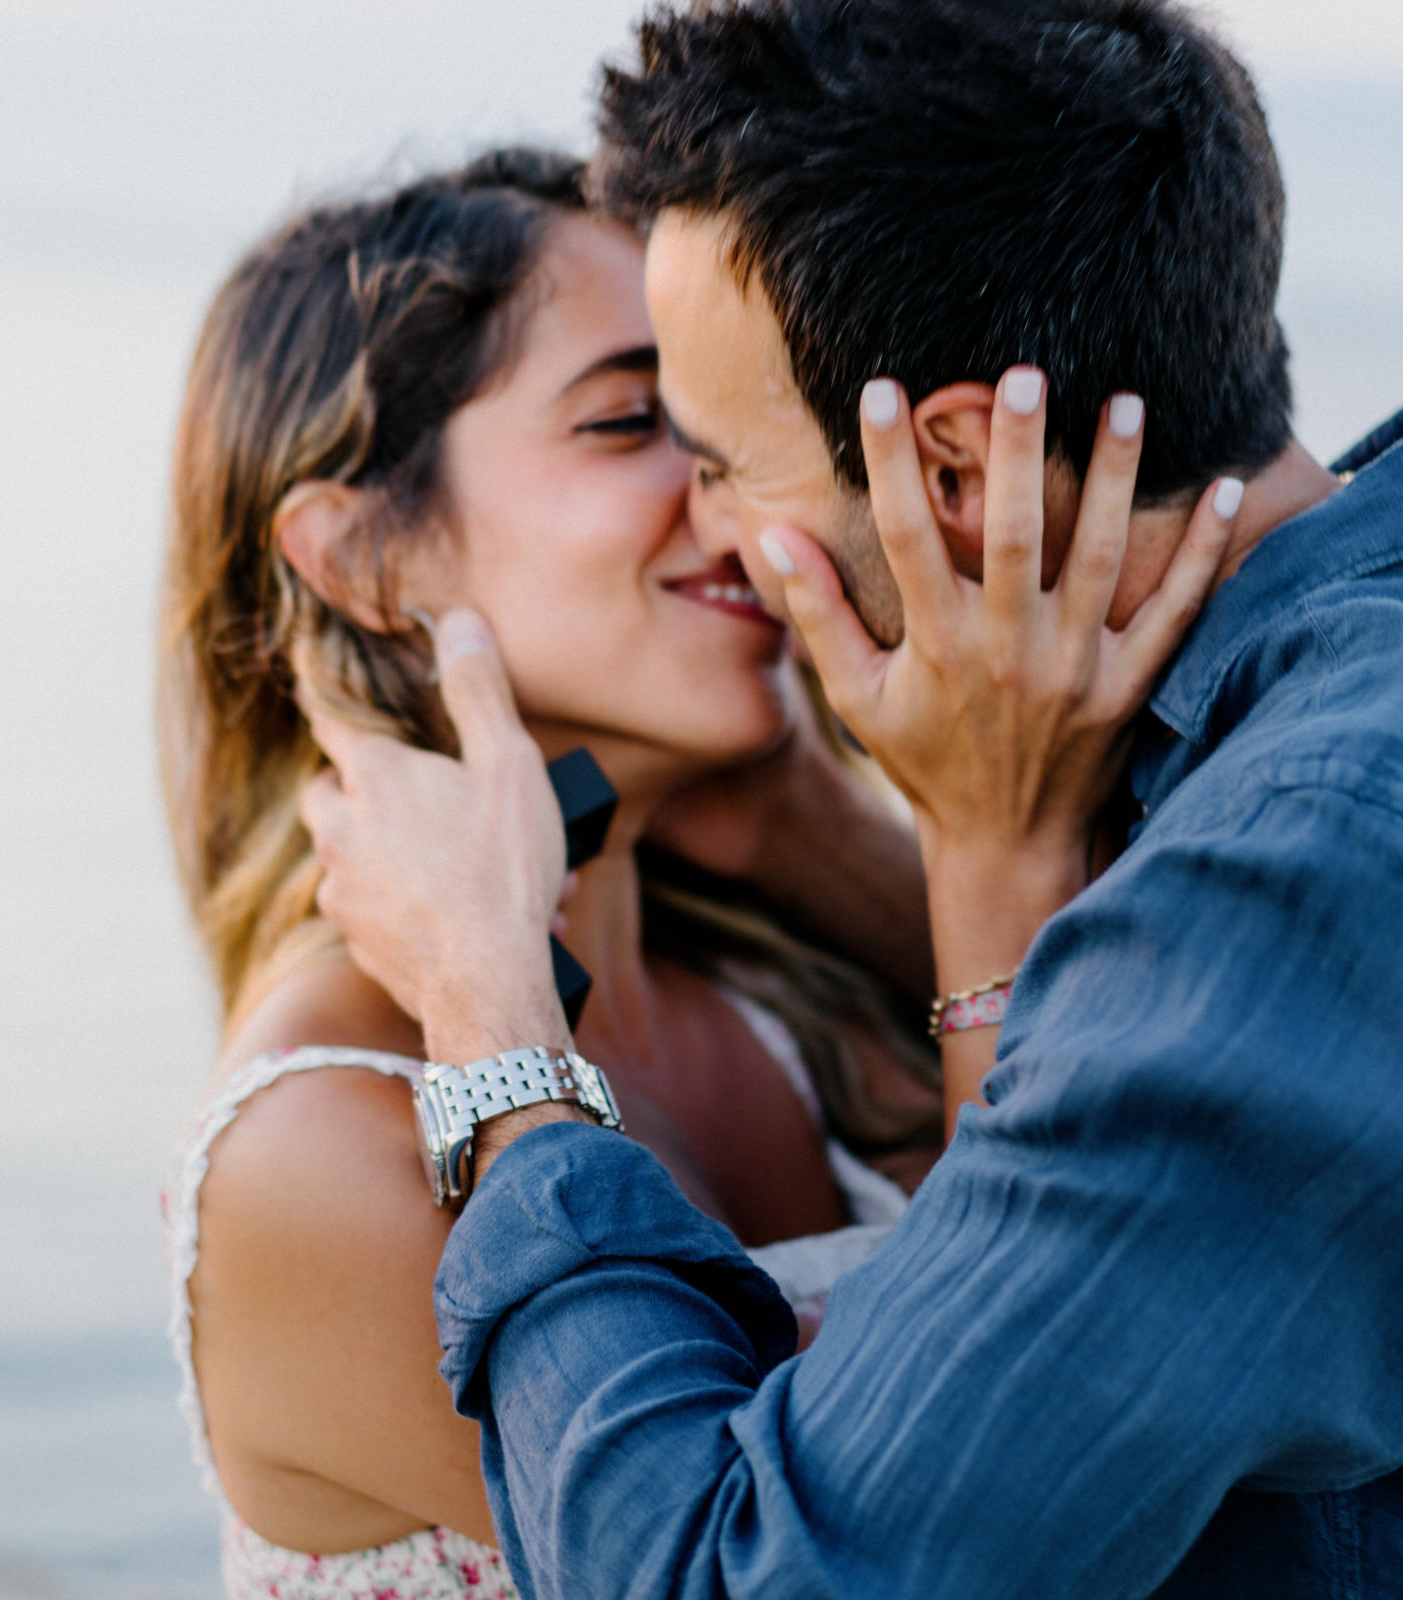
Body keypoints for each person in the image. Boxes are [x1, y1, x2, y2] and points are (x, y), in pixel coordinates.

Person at [295, 2, 1403, 1597]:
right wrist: (936, 850)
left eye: (726, 462)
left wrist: (486, 1017)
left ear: (953, 471)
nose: (717, 534)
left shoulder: (1284, 880)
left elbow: (733, 1577)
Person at [157, 145, 1157, 1599]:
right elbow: (965, 1509)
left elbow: (1171, 1204)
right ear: (364, 554)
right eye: (633, 423)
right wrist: (990, 845)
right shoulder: (318, 1158)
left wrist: (821, 840)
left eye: (729, 428)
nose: (747, 503)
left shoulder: (767, 992)